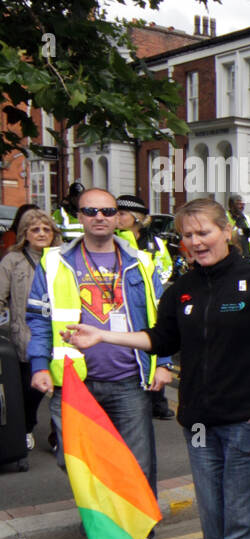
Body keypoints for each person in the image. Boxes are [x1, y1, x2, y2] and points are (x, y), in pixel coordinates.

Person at [62, 198, 250, 539]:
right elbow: (159, 337)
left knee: (242, 518)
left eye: (204, 232)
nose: (195, 242)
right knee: (213, 524)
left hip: (248, 418)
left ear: (226, 232)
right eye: (188, 236)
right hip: (198, 421)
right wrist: (102, 336)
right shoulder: (183, 289)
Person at [26, 188, 172, 490]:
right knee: (78, 462)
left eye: (107, 211)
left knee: (138, 462)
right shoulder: (54, 261)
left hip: (129, 380)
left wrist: (164, 362)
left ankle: (137, 533)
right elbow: (38, 319)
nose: (99, 217)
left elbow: (160, 318)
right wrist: (39, 365)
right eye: (90, 211)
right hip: (73, 381)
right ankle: (102, 523)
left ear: (118, 217)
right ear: (80, 217)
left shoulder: (141, 261)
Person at [0, 209, 59, 450]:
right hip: (26, 337)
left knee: (63, 391)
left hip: (62, 336)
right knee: (30, 391)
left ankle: (58, 435)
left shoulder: (62, 258)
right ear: (25, 233)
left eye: (46, 229)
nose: (42, 233)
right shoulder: (12, 261)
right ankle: (25, 427)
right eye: (35, 229)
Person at [116, 194, 176, 420]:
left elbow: (165, 265)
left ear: (137, 218)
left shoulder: (155, 242)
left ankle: (158, 401)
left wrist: (154, 283)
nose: (118, 218)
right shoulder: (116, 240)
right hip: (129, 298)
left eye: (123, 214)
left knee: (156, 345)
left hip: (153, 297)